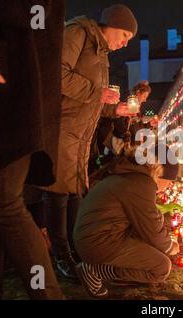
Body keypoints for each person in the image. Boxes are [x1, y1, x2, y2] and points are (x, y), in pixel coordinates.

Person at [41, 4, 139, 280]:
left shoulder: (101, 52)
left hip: (80, 135)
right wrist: (97, 92)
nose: (124, 43)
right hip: (62, 128)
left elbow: (96, 98)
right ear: (110, 25)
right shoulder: (78, 34)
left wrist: (113, 109)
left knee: (75, 195)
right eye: (123, 35)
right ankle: (60, 256)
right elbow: (55, 74)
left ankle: (77, 252)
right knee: (58, 194)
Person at [0, 1, 65, 299]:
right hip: (8, 103)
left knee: (0, 203)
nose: (125, 43)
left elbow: (33, 14)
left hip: (9, 106)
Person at [74, 145, 180, 298]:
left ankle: (99, 267)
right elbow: (151, 228)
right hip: (98, 242)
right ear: (160, 172)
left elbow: (150, 217)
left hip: (96, 235)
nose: (171, 185)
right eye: (170, 180)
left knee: (156, 238)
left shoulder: (133, 175)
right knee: (161, 267)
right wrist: (171, 247)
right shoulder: (141, 183)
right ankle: (93, 271)